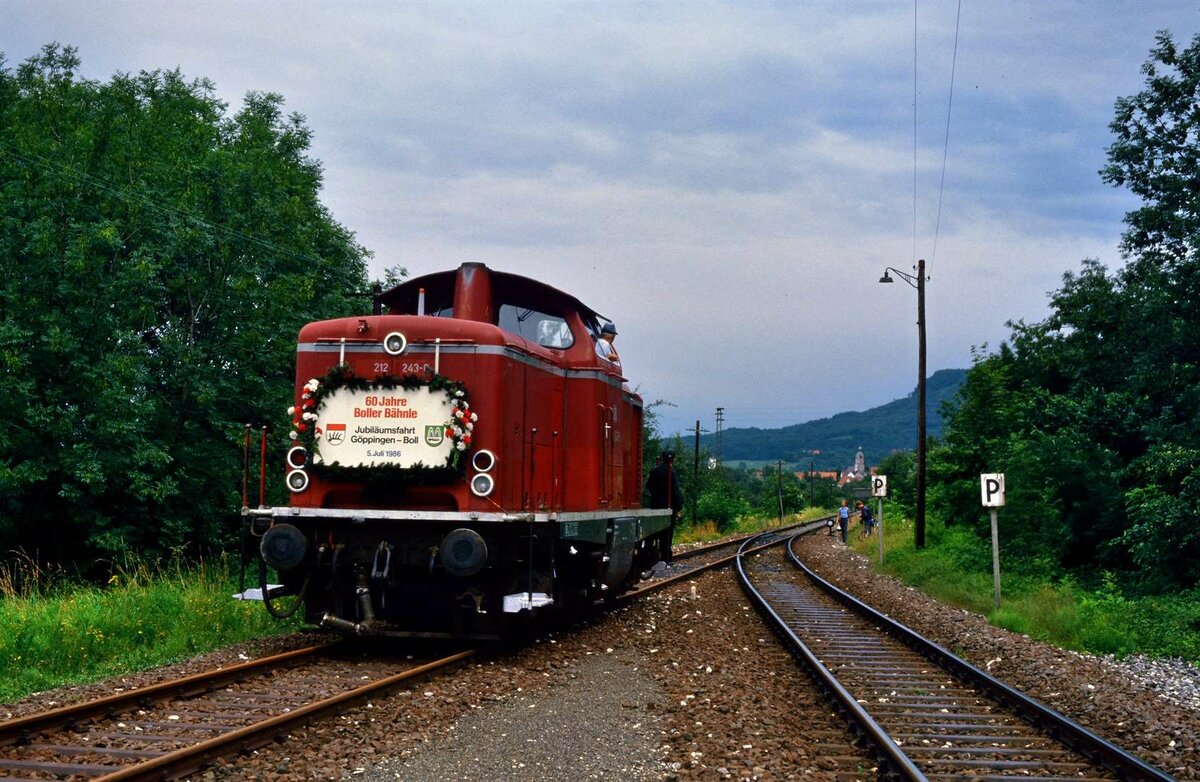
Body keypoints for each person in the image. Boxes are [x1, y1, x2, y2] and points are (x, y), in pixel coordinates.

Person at [646, 450, 684, 563]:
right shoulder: (671, 472)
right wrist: (679, 506)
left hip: (655, 507)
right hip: (668, 508)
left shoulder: (655, 470)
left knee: (653, 533)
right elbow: (675, 491)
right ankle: (666, 558)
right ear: (673, 459)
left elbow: (649, 486)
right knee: (667, 535)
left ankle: (651, 555)